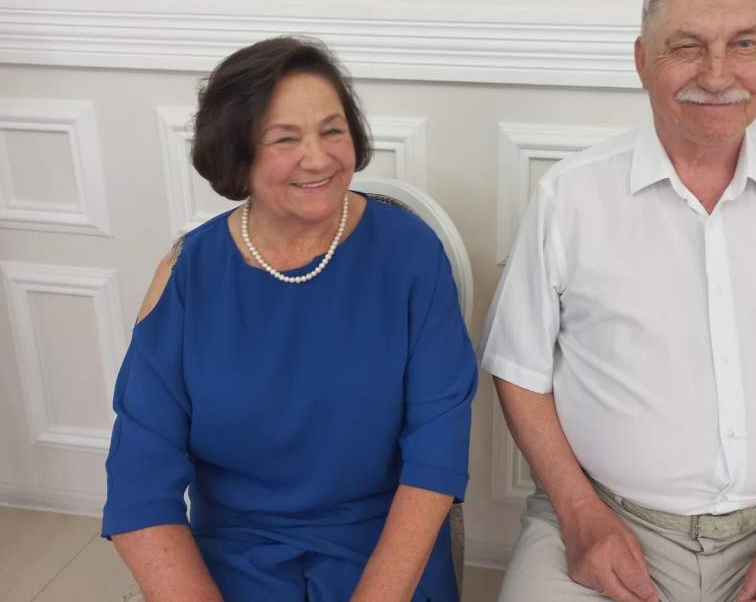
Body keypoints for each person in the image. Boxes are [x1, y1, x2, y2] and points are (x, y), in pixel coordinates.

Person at [481, 0, 756, 602]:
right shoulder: (569, 198)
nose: (718, 74)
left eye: (744, 44)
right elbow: (518, 371)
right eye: (687, 47)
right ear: (643, 60)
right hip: (601, 519)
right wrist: (581, 517)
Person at [103, 36, 477, 602]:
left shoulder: (411, 254)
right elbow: (139, 480)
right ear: (237, 155)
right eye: (285, 139)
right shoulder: (186, 274)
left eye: (332, 130)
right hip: (233, 554)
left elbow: (437, 453)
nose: (319, 158)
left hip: (382, 551)